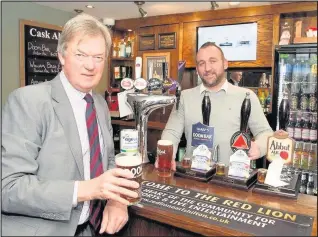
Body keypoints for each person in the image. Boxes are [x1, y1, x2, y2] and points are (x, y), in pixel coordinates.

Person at [2, 14, 139, 236]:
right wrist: (88, 189)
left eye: (98, 57)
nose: (90, 65)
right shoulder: (29, 101)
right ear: (62, 56)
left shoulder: (100, 104)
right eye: (81, 54)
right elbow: (9, 189)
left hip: (92, 228)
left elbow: (109, 161)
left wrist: (117, 202)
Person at [160, 42, 273, 168]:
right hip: (194, 176)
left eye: (212, 61)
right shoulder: (184, 97)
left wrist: (259, 147)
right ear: (197, 69)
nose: (207, 68)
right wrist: (166, 154)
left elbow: (265, 132)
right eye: (201, 63)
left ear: (225, 63)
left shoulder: (246, 96)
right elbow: (172, 132)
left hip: (232, 177)